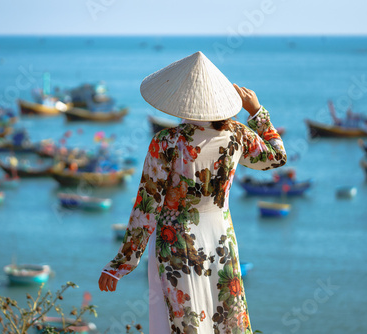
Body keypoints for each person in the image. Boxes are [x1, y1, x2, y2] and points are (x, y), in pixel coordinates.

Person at [98, 51, 287, 334]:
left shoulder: (166, 142)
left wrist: (121, 263)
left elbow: (147, 205)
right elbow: (277, 157)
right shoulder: (237, 134)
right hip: (221, 236)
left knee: (183, 321)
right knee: (224, 319)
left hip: (177, 241)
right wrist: (257, 112)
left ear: (180, 99)